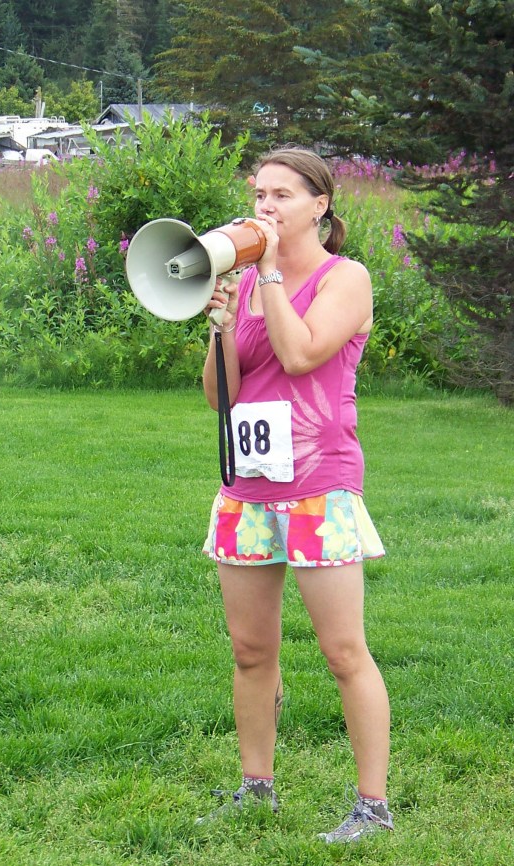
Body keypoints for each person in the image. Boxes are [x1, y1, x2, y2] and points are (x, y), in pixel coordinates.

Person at [197, 146, 393, 842]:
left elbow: (303, 354)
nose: (266, 208)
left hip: (319, 488)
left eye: (281, 195)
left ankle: (373, 806)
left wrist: (271, 276)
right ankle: (257, 786)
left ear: (321, 206)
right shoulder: (247, 285)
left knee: (344, 651)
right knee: (251, 650)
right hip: (248, 488)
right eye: (258, 195)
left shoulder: (348, 279)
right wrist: (220, 323)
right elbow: (221, 396)